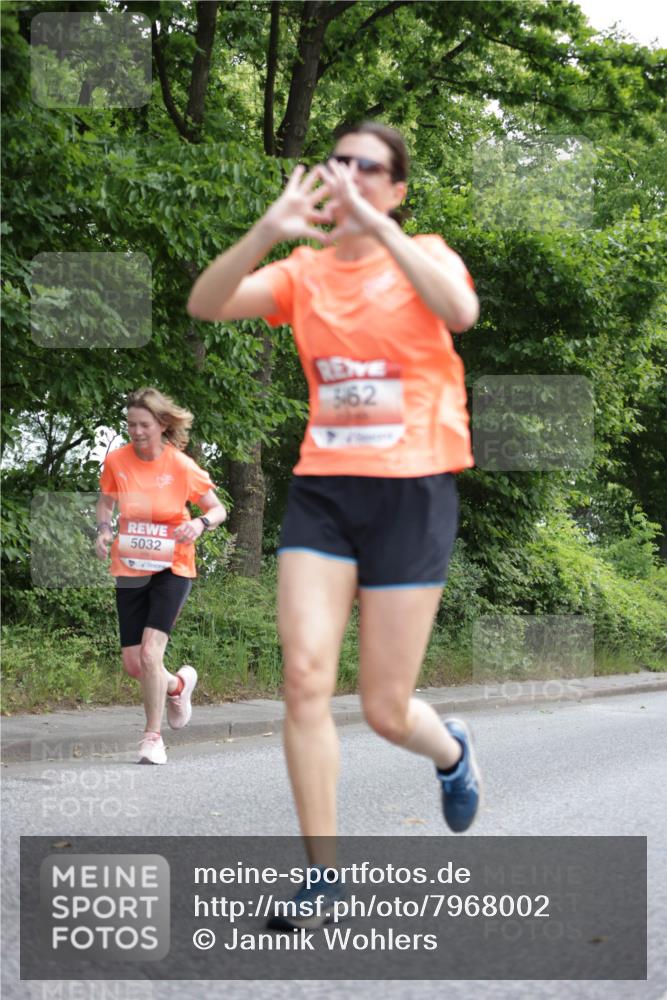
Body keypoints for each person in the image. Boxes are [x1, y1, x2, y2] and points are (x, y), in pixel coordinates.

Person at [188, 122, 481, 925]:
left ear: (395, 189)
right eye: (337, 163)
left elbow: (459, 311)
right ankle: (324, 876)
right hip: (325, 492)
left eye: (367, 167)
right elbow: (206, 302)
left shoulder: (425, 251)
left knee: (386, 709)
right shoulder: (302, 272)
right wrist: (266, 231)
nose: (348, 175)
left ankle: (450, 753)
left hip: (412, 490)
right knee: (304, 677)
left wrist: (383, 231)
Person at [95, 387, 227, 765]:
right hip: (131, 567)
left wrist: (200, 524)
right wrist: (103, 531)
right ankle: (178, 685)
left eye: (143, 425)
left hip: (173, 565)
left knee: (152, 654)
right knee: (136, 665)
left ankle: (152, 738)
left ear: (161, 424)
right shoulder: (117, 462)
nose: (135, 431)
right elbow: (106, 503)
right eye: (130, 424)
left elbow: (216, 509)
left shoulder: (181, 466)